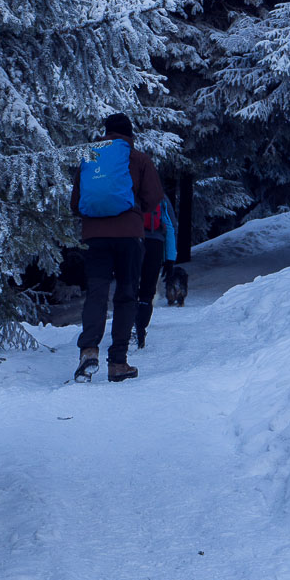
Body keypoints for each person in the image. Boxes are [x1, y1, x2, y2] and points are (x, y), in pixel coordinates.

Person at [72, 113, 163, 383]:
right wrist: (134, 213)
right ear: (130, 134)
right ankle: (118, 362)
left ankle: (88, 349)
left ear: (106, 132)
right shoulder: (138, 158)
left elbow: (76, 202)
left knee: (97, 293)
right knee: (126, 294)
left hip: (95, 236)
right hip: (129, 236)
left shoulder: (91, 156)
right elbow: (154, 196)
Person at [135, 194, 178, 348]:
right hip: (156, 244)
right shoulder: (159, 195)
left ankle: (126, 327)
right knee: (147, 290)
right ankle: (139, 330)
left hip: (132, 241)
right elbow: (171, 226)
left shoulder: (126, 187)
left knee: (129, 285)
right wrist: (170, 258)